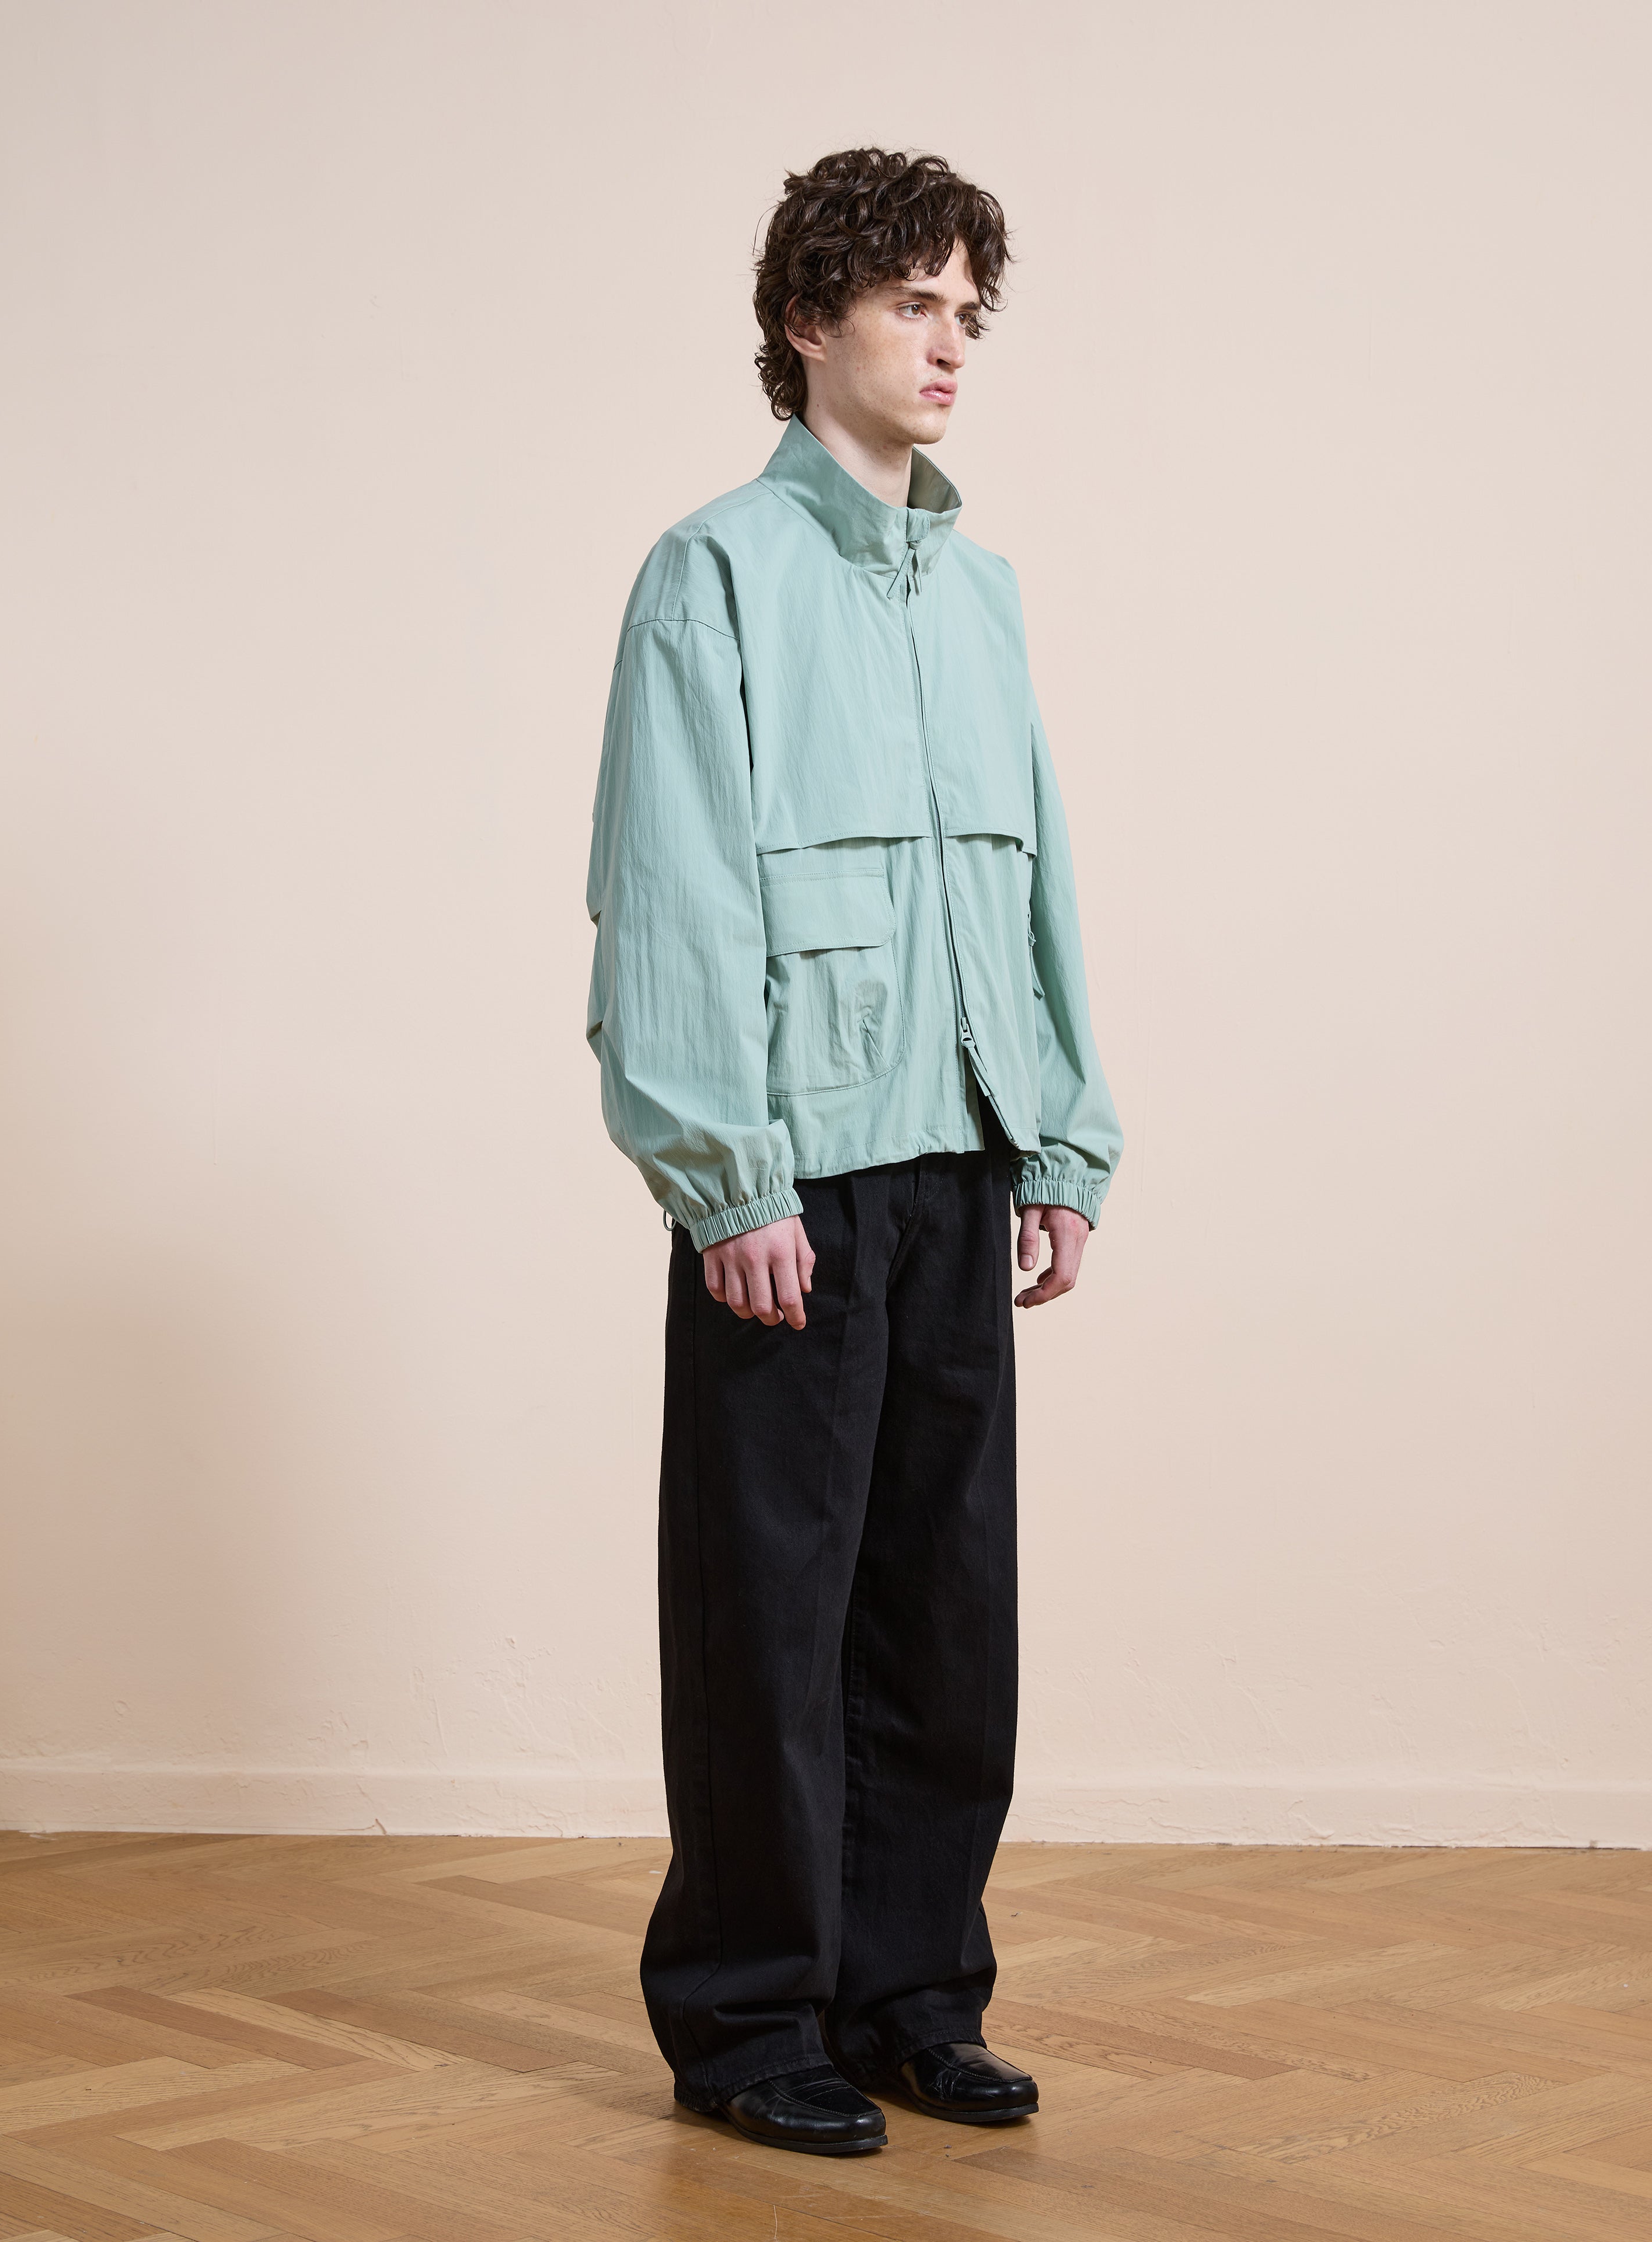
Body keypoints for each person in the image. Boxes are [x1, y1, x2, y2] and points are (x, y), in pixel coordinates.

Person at [585, 148, 1121, 2157]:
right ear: (808, 320)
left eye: (970, 309)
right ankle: (747, 2017)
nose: (949, 341)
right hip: (793, 1175)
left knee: (936, 1612)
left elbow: (1041, 876)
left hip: (966, 1157)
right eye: (912, 301)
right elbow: (679, 885)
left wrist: (1063, 1135)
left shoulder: (980, 596)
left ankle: (911, 1990)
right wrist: (729, 1179)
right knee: (769, 1613)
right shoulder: (712, 572)